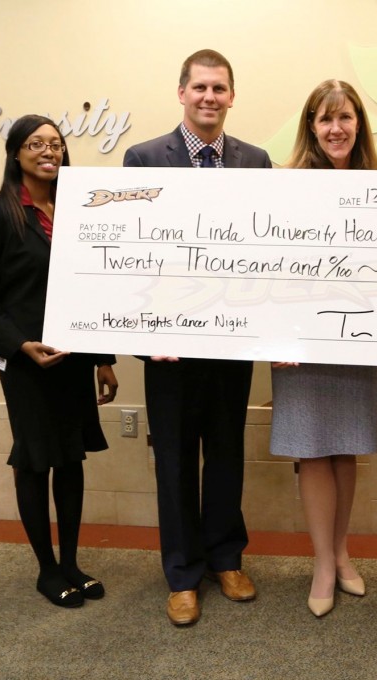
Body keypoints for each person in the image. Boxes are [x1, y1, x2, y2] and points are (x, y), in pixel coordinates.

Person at [122, 49, 271, 626]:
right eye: (200, 87)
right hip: (170, 349)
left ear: (232, 96)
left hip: (231, 342)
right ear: (181, 92)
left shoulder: (256, 162)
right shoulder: (142, 159)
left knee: (227, 453)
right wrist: (143, 336)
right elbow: (130, 254)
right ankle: (182, 573)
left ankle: (226, 559)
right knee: (176, 461)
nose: (210, 97)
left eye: (220, 89)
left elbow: (268, 252)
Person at [0, 114, 118, 608]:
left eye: (56, 143)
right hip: (27, 363)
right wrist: (20, 344)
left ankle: (71, 562)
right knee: (35, 460)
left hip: (73, 359)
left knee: (70, 457)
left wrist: (103, 360)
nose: (49, 151)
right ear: (15, 153)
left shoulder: (79, 212)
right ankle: (46, 570)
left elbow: (90, 287)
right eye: (36, 144)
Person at [270, 80, 377, 618]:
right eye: (325, 119)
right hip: (299, 344)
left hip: (357, 335)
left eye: (346, 118)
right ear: (310, 127)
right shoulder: (285, 184)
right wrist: (275, 335)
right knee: (312, 447)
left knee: (345, 444)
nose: (336, 129)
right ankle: (320, 561)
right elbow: (265, 269)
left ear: (359, 124)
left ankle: (341, 552)